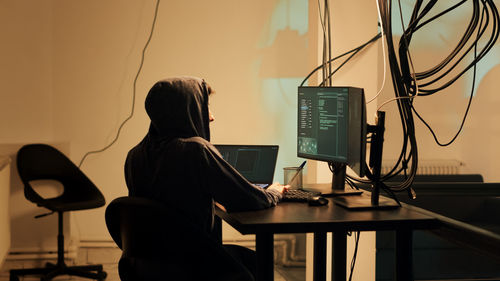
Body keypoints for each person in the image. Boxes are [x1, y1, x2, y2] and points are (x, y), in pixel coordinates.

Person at [124, 76, 288, 280]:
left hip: (149, 265)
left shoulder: (135, 155)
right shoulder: (195, 150)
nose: (211, 117)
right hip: (194, 263)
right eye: (205, 107)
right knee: (259, 263)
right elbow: (250, 199)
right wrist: (273, 192)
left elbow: (168, 201)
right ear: (187, 110)